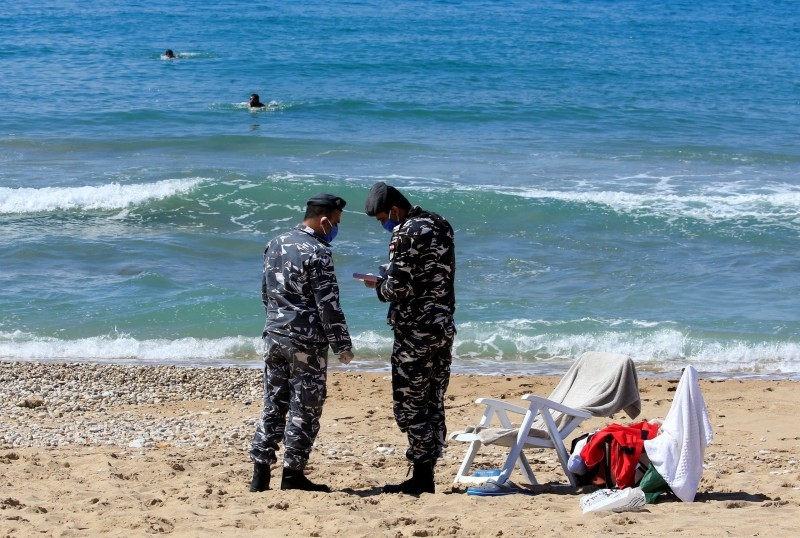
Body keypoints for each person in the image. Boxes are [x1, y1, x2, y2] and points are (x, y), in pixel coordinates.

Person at [249, 193, 355, 493]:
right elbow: (328, 305)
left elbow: (266, 292)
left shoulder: (275, 243)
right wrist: (342, 345)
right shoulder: (318, 252)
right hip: (306, 343)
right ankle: (293, 474)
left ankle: (260, 474)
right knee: (305, 408)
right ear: (323, 221)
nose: (334, 229)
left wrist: (275, 323)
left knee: (273, 403)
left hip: (274, 335)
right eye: (335, 223)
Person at [363, 182, 456, 495]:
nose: (383, 225)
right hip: (443, 327)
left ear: (394, 210)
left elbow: (400, 287)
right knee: (433, 400)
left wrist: (379, 286)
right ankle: (427, 469)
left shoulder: (404, 232)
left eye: (382, 219)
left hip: (415, 331)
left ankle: (421, 474)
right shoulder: (441, 223)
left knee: (409, 404)